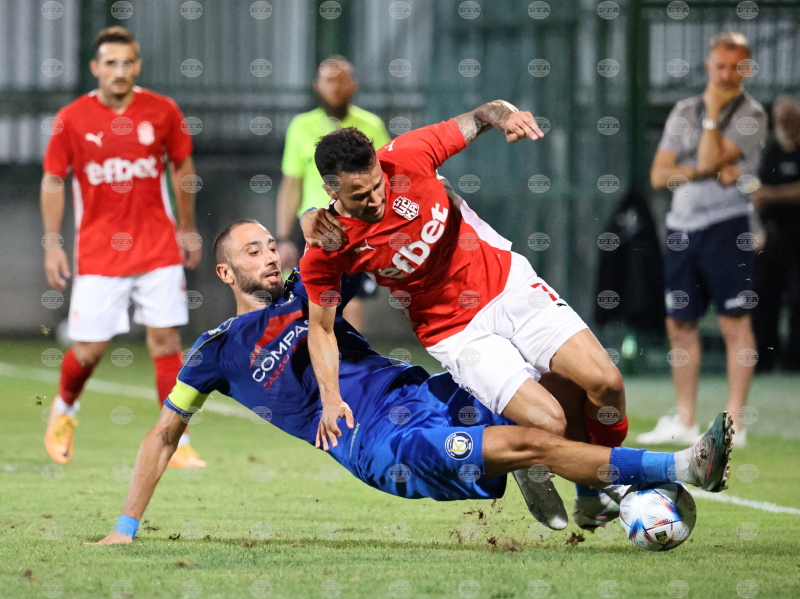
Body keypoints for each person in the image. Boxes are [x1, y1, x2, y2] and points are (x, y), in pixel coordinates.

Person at [88, 219, 733, 545]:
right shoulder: (215, 352)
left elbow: (340, 235)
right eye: (251, 252)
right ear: (226, 275)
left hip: (423, 393)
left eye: (269, 245)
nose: (269, 255)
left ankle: (596, 493)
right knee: (530, 440)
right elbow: (164, 434)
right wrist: (125, 528)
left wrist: (318, 222)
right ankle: (678, 466)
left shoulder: (312, 290)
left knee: (554, 385)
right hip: (381, 445)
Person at [298, 102, 629, 529]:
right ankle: (588, 475)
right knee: (546, 421)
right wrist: (330, 398)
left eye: (378, 185)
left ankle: (599, 488)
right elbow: (321, 328)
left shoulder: (409, 155)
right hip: (454, 331)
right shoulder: (328, 246)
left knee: (606, 383)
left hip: (508, 285)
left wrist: (508, 117)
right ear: (331, 192)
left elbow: (484, 114)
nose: (376, 199)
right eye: (360, 196)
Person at [41, 26, 205, 468]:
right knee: (89, 350)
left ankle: (176, 440)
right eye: (110, 63)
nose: (119, 70)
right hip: (99, 254)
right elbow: (53, 179)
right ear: (95, 68)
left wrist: (187, 227)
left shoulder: (163, 111)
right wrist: (53, 243)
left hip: (158, 247)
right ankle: (64, 409)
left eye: (127, 62)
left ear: (138, 66)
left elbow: (182, 165)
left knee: (166, 342)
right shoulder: (72, 118)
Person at [643, 31, 768, 448]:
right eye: (720, 66)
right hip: (681, 227)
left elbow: (711, 155)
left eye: (736, 67)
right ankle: (685, 419)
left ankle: (734, 424)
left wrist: (712, 116)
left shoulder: (752, 114)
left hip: (728, 225)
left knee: (734, 321)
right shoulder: (683, 110)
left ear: (746, 69)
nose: (726, 74)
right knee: (679, 323)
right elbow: (659, 175)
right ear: (708, 66)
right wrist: (704, 170)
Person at [275, 56, 390, 331]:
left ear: (353, 85)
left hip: (357, 228)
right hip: (312, 228)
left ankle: (348, 356)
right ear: (317, 86)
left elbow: (385, 180)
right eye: (328, 81)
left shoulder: (372, 125)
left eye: (341, 81)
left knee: (353, 302)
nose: (335, 88)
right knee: (304, 302)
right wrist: (283, 237)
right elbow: (291, 184)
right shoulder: (301, 126)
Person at [751, 96, 800, 372]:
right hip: (773, 237)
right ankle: (765, 358)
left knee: (797, 299)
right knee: (763, 294)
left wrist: (774, 195)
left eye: (788, 119)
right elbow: (759, 191)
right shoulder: (772, 152)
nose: (783, 124)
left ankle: (794, 362)